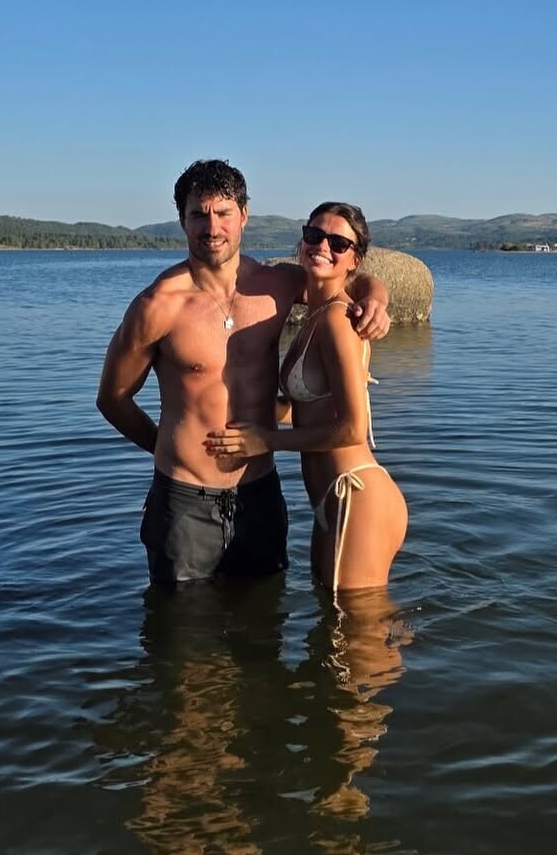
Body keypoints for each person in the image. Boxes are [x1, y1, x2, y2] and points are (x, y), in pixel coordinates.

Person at [97, 162, 390, 585]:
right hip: (185, 502)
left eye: (223, 213)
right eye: (198, 215)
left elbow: (342, 278)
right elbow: (113, 398)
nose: (212, 228)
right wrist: (167, 449)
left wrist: (377, 297)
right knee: (183, 624)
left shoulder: (277, 285)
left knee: (266, 618)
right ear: (182, 220)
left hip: (260, 494)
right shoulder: (157, 306)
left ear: (244, 215)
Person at [205, 203, 407, 597]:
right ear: (302, 242)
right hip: (333, 500)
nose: (322, 246)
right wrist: (239, 409)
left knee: (354, 627)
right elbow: (308, 406)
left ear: (355, 260)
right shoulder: (315, 317)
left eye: (338, 243)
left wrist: (266, 440)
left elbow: (352, 429)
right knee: (336, 622)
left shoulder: (336, 321)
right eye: (314, 235)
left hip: (356, 494)